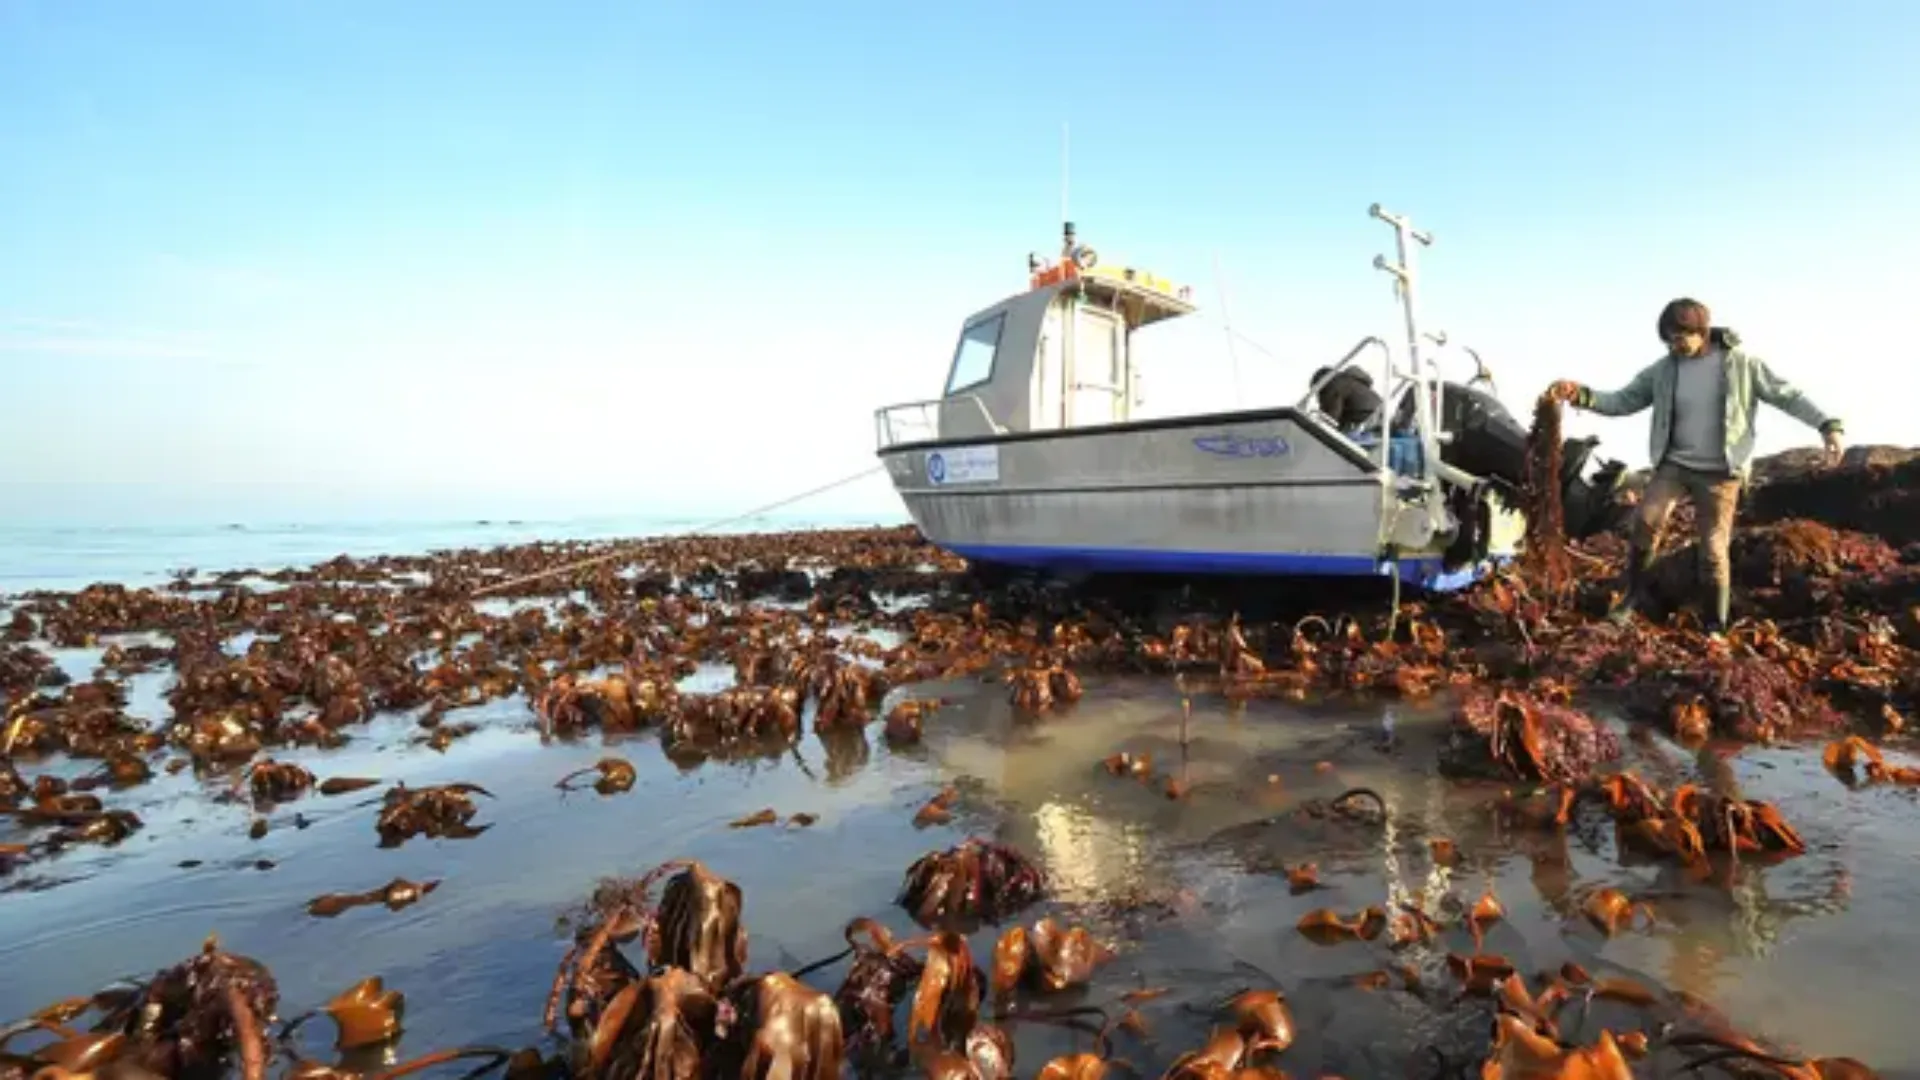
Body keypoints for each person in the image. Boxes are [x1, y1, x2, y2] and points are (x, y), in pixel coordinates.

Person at [1545, 297, 1844, 634]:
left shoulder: (1741, 365)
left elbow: (1787, 395)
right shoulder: (1664, 370)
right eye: (1669, 340)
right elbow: (1623, 400)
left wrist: (1827, 425)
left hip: (1721, 472)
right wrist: (1582, 395)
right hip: (1673, 464)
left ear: (1700, 331)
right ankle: (1631, 600)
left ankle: (1715, 624)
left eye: (1680, 337)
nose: (1675, 346)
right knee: (1645, 521)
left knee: (1713, 551)